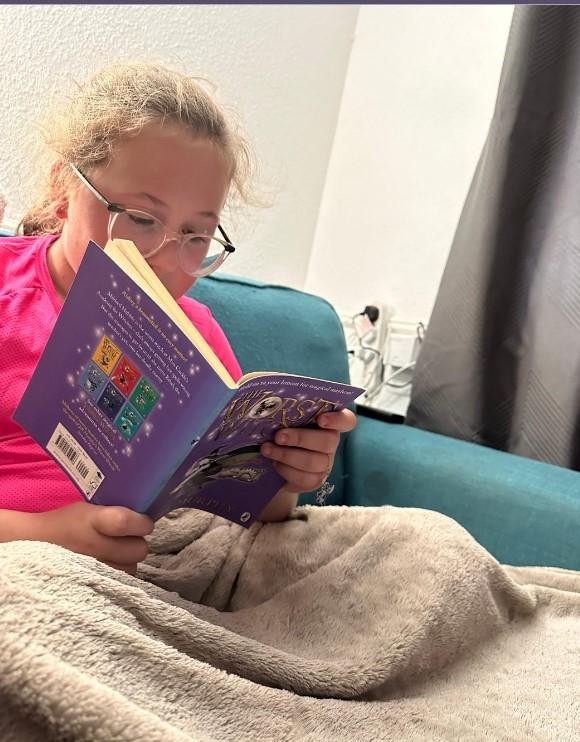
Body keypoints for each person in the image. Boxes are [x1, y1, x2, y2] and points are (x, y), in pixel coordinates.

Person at [0, 62, 356, 574]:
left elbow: (250, 512)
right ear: (63, 189)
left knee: (421, 545)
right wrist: (45, 536)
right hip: (27, 565)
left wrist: (288, 472)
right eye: (140, 219)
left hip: (167, 560)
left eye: (196, 236)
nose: (166, 260)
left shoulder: (195, 332)